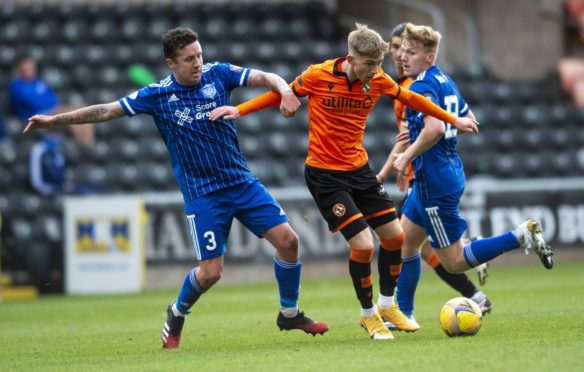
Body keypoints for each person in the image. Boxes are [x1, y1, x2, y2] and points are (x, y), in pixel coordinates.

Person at [23, 27, 328, 349]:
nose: (198, 63)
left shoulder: (218, 74)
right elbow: (107, 110)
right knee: (211, 273)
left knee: (289, 241)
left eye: (199, 55)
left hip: (242, 182)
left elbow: (266, 77)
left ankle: (289, 313)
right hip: (203, 194)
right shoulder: (156, 95)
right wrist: (54, 121)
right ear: (171, 63)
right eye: (189, 59)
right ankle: (178, 310)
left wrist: (286, 90)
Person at [210, 23, 480, 341]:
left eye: (380, 64)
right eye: (370, 64)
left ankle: (388, 306)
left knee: (394, 238)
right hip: (325, 175)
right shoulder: (318, 75)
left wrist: (453, 120)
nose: (377, 71)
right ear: (351, 58)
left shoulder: (377, 79)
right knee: (364, 245)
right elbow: (280, 95)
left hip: (359, 170)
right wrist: (239, 110)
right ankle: (368, 316)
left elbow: (412, 99)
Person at [390, 23, 554, 324]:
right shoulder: (444, 80)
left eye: (411, 52)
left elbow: (436, 127)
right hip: (445, 171)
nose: (403, 57)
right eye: (402, 50)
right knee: (407, 243)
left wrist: (407, 156)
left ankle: (519, 236)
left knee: (453, 262)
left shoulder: (421, 86)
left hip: (433, 181)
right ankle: (403, 313)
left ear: (429, 56)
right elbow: (469, 119)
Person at [376, 23, 492, 320]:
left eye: (404, 47)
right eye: (395, 47)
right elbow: (407, 136)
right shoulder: (415, 84)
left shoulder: (416, 88)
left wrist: (388, 170)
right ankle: (471, 292)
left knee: (418, 247)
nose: (398, 53)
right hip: (425, 172)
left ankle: (403, 308)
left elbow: (423, 133)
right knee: (414, 245)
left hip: (426, 177)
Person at [10, 56, 95, 148]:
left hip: (51, 112)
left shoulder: (40, 83)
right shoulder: (17, 86)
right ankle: (86, 146)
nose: (29, 70)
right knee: (72, 113)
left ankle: (89, 144)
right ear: (20, 68)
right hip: (34, 117)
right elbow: (33, 104)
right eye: (26, 68)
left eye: (32, 68)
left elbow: (53, 100)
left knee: (84, 110)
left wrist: (53, 108)